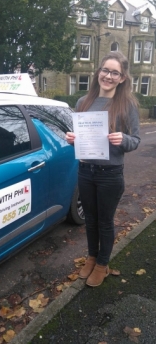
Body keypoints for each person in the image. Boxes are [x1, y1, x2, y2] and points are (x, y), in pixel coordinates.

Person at [66, 51, 140, 287]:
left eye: (114, 72)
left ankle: (102, 264)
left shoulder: (127, 104)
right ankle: (91, 258)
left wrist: (123, 139)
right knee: (91, 220)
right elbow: (80, 136)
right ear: (98, 72)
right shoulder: (82, 102)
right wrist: (72, 139)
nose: (108, 76)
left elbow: (136, 139)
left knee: (105, 222)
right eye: (105, 70)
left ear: (122, 78)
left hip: (110, 175)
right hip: (86, 172)